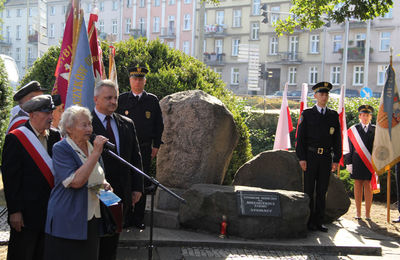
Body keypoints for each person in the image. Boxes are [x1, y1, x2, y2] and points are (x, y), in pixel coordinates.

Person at [43, 105, 111, 260]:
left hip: (92, 218)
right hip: (68, 219)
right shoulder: (61, 148)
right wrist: (95, 154)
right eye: (84, 125)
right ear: (69, 128)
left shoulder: (92, 147)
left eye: (90, 124)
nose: (89, 128)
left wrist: (105, 184)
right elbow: (76, 182)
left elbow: (98, 175)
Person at [1, 94, 61, 259]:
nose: (51, 117)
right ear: (32, 114)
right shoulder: (16, 138)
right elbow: (11, 178)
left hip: (50, 211)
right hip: (26, 214)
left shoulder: (56, 136)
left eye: (52, 112)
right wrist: (15, 211)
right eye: (46, 113)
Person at [92, 80, 143, 260]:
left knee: (112, 243)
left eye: (115, 97)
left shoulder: (127, 123)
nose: (113, 101)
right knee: (96, 243)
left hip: (121, 192)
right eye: (108, 98)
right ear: (96, 99)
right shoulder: (85, 125)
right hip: (96, 193)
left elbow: (135, 158)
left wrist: (137, 187)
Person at [116, 65, 164, 230]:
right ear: (130, 80)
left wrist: (156, 145)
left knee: (141, 182)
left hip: (144, 149)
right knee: (126, 181)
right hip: (124, 149)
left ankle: (138, 218)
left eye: (140, 79)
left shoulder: (152, 100)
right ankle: (126, 217)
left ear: (145, 81)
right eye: (134, 78)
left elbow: (159, 124)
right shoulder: (121, 99)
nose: (137, 81)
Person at [296, 81, 342, 232]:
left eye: (326, 94)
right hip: (310, 156)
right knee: (309, 190)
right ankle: (308, 221)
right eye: (321, 94)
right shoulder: (307, 114)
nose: (324, 96)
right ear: (315, 95)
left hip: (325, 158)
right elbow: (300, 138)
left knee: (322, 191)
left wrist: (336, 159)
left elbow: (337, 139)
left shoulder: (333, 115)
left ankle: (319, 221)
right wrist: (301, 158)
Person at [344, 105, 376, 220]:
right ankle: (358, 213)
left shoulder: (375, 129)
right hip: (357, 162)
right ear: (359, 116)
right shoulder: (353, 130)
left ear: (370, 117)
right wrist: (348, 163)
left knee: (368, 186)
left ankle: (367, 213)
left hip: (370, 163)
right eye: (363, 115)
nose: (365, 117)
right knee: (358, 185)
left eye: (367, 115)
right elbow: (348, 148)